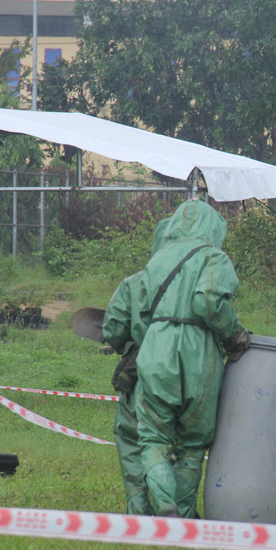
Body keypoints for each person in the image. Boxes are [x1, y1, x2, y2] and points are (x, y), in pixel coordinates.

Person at [133, 199, 250, 518]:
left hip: (157, 348)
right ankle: (182, 518)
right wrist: (235, 333)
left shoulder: (156, 261)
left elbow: (142, 313)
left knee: (153, 437)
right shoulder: (215, 257)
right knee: (193, 445)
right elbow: (208, 303)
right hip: (200, 356)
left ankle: (164, 502)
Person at [102, 217, 171, 516]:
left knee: (131, 436)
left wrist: (129, 347)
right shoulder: (202, 281)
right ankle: (180, 505)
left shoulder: (133, 283)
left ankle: (141, 507)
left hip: (145, 374)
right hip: (193, 377)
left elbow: (113, 328)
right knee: (186, 446)